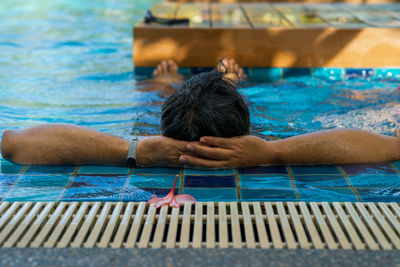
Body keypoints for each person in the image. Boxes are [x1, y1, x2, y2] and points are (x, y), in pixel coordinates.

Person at [1, 59, 400, 168]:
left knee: (152, 97)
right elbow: (391, 147)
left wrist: (132, 148)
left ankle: (176, 84)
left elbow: (15, 142)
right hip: (245, 129)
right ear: (244, 133)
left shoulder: (153, 139)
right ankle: (228, 82)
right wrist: (276, 153)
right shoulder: (260, 143)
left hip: (165, 128)